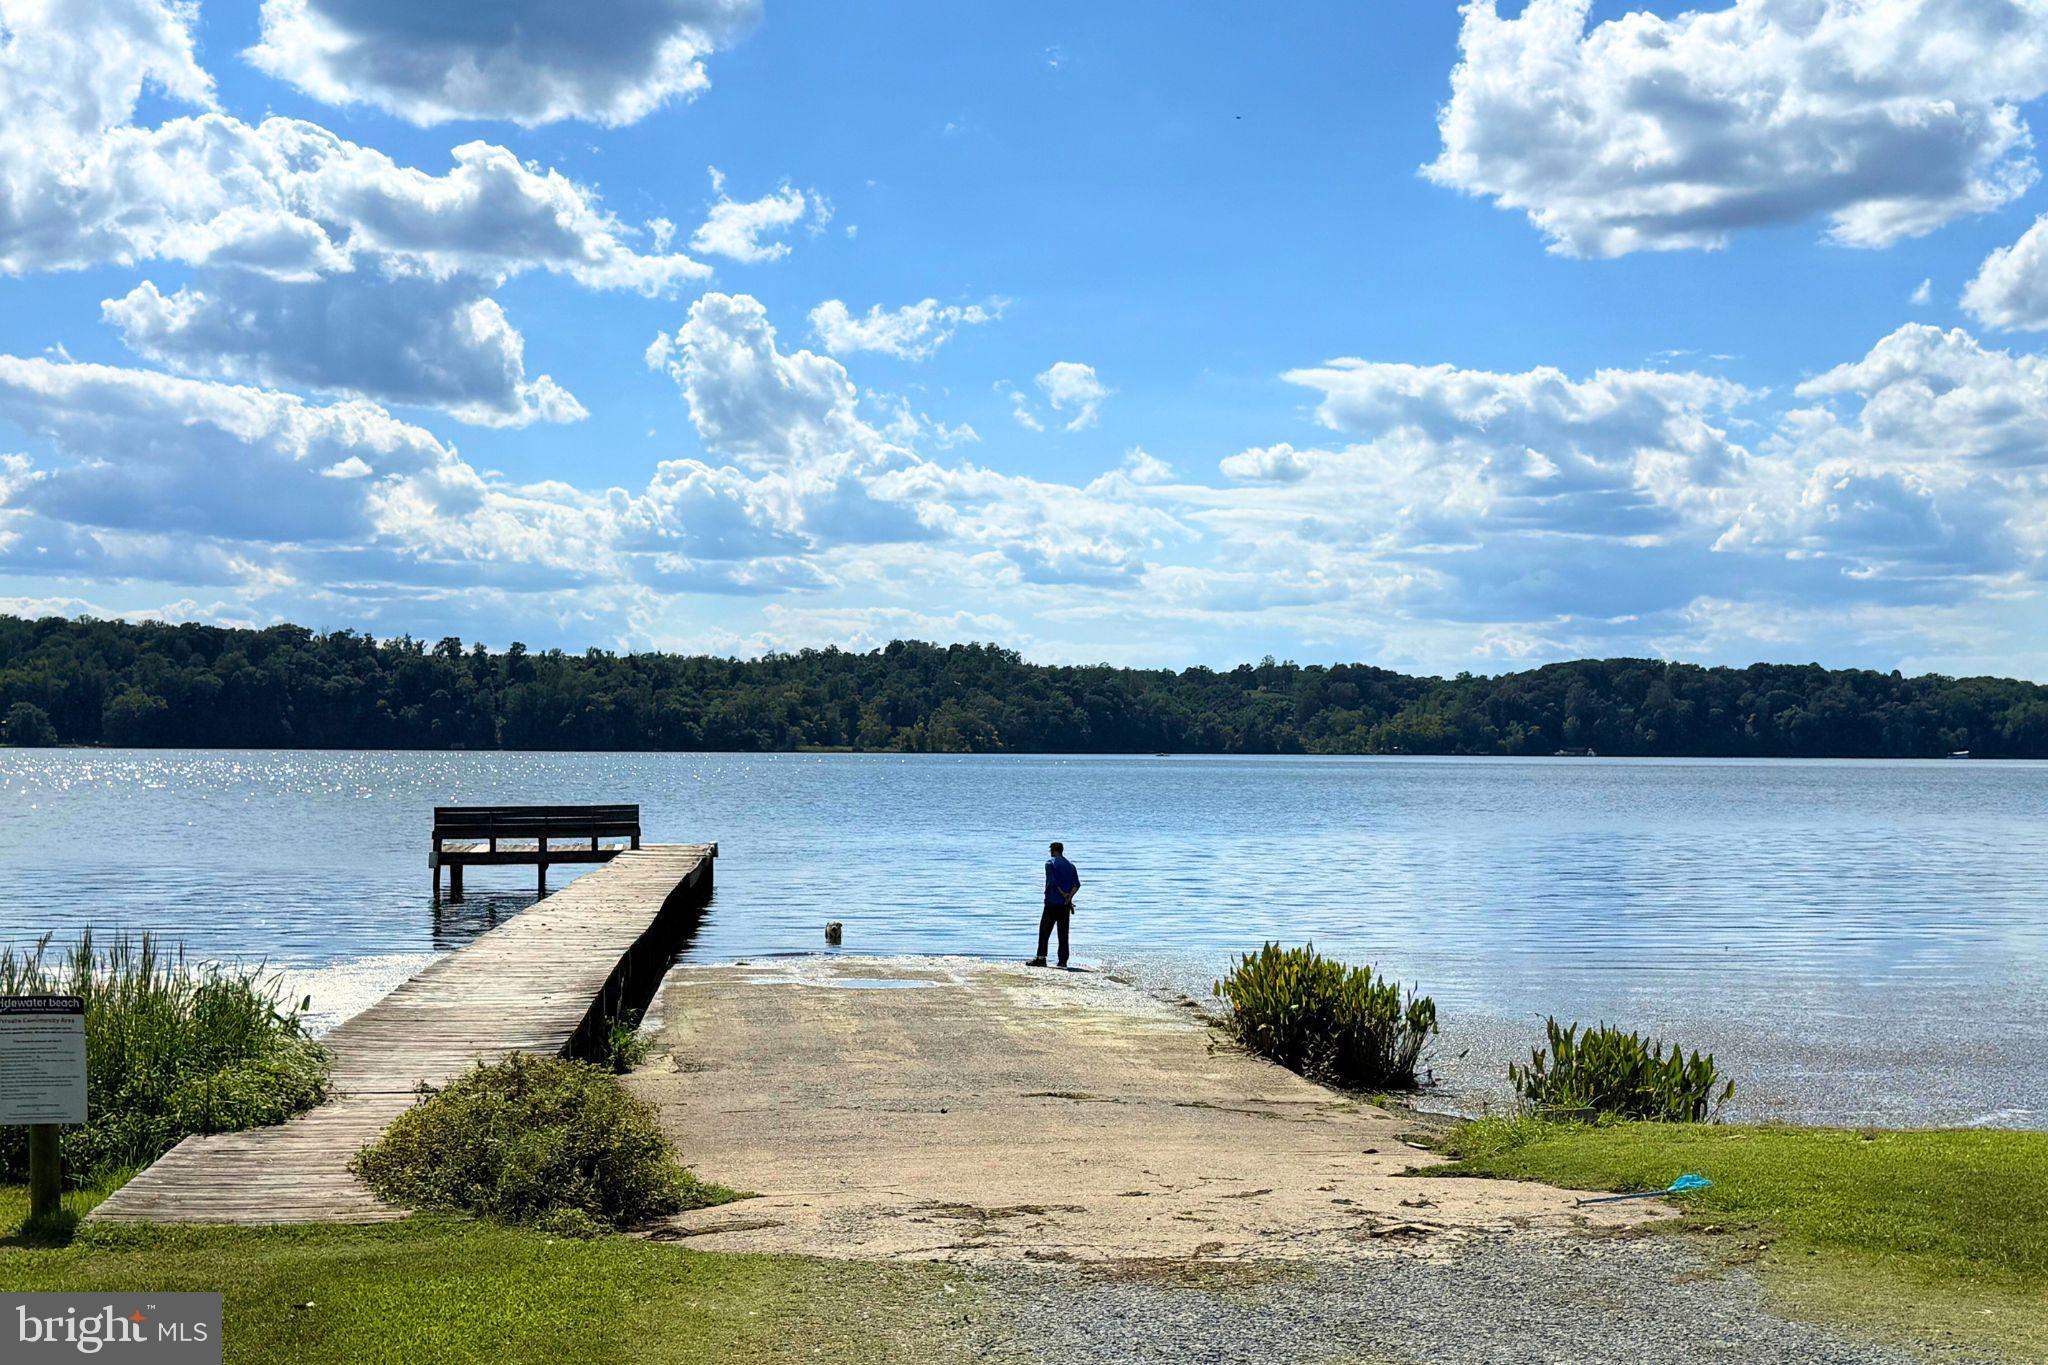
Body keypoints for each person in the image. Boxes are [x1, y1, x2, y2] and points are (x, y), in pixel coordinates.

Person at [1030, 841, 1081, 968]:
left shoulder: (1050, 863)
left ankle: (1041, 958)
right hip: (1065, 905)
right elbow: (1076, 885)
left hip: (1052, 903)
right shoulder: (1071, 866)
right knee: (1063, 934)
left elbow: (1052, 882)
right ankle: (1062, 961)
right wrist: (1069, 897)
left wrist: (1063, 894)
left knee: (1044, 930)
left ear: (1053, 850)